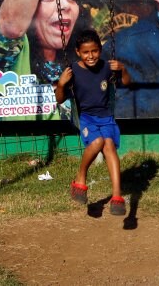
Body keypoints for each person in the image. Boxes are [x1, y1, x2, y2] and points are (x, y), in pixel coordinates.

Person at [55, 29, 131, 215]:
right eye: (86, 52)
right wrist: (61, 84)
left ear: (100, 49)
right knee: (97, 142)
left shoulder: (106, 67)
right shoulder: (73, 71)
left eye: (95, 51)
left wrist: (123, 70)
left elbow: (127, 83)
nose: (91, 56)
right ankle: (81, 177)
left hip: (106, 117)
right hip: (87, 118)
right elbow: (59, 99)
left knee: (109, 146)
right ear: (78, 52)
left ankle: (116, 196)